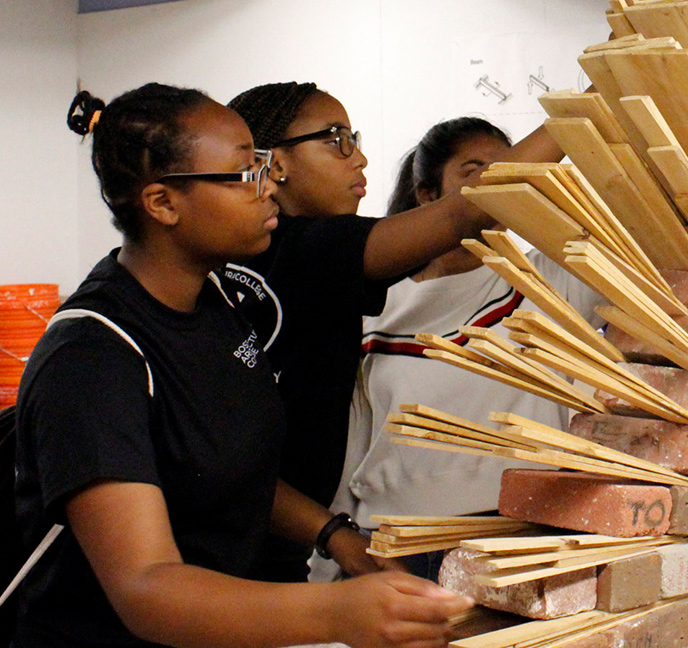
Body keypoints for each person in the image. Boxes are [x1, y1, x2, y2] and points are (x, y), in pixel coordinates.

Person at [10, 83, 470, 648]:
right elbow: (147, 587)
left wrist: (336, 536)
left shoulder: (216, 301)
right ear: (163, 203)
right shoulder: (93, 358)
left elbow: (221, 468)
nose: (269, 187)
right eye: (244, 173)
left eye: (263, 165)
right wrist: (334, 612)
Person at [222, 83, 567, 582]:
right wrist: (589, 104)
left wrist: (332, 536)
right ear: (275, 164)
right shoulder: (312, 250)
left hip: (286, 540)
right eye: (337, 139)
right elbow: (467, 211)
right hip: (255, 554)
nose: (359, 158)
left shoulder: (269, 256)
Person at [328, 116, 599, 581]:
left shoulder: (549, 278)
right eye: (476, 171)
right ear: (428, 195)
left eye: (510, 168)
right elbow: (353, 440)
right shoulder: (374, 304)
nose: (496, 182)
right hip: (391, 542)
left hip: (514, 542)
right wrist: (336, 551)